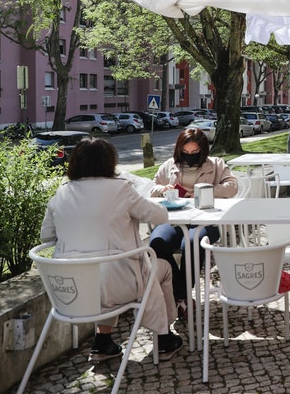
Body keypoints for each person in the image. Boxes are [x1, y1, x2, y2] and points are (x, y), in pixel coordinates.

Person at [40, 137, 184, 362]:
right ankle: (164, 336)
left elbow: (46, 236)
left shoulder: (61, 193)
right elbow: (160, 216)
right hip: (117, 286)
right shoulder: (121, 189)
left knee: (103, 270)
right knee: (160, 268)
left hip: (70, 291)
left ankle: (103, 341)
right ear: (110, 162)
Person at [149, 129, 238, 316]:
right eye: (185, 152)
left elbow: (232, 187)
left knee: (191, 242)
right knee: (157, 243)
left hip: (205, 221)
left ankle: (181, 297)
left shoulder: (216, 164)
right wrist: (162, 189)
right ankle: (181, 295)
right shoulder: (169, 165)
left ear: (203, 150)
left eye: (194, 152)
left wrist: (204, 192)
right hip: (174, 219)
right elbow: (153, 187)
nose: (189, 156)